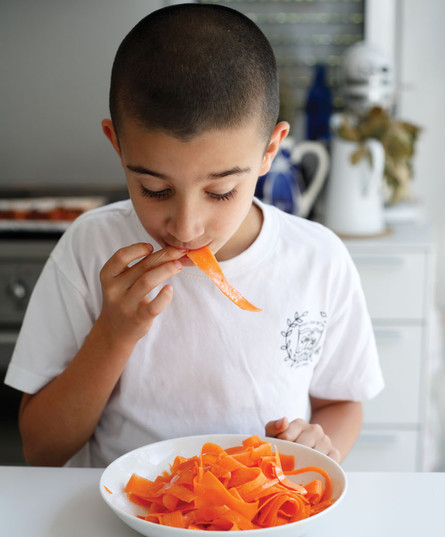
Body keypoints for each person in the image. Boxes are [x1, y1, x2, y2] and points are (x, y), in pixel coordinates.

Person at [5, 3, 383, 468]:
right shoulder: (89, 247)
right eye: (155, 189)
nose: (185, 227)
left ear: (269, 151)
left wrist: (319, 449)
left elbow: (342, 402)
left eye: (221, 192)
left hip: (259, 525)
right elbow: (41, 449)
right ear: (117, 144)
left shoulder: (318, 259)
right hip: (120, 524)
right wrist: (115, 333)